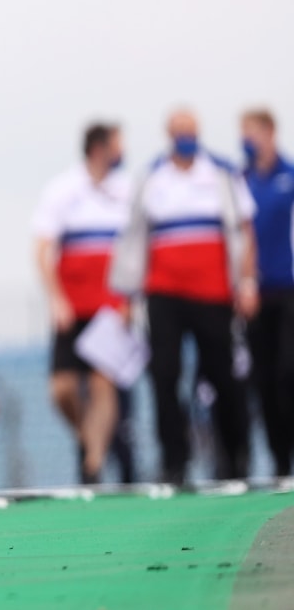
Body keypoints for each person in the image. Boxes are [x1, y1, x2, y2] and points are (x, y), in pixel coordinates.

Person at [110, 109, 259, 484]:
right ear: (168, 134)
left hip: (213, 294)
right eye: (179, 131)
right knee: (163, 374)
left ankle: (234, 456)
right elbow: (133, 239)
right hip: (163, 294)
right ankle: (175, 460)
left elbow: (244, 232)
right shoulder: (151, 177)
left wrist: (246, 282)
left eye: (190, 131)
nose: (185, 137)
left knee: (223, 377)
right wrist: (127, 295)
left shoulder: (222, 173)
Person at [31, 122, 132, 484]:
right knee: (62, 388)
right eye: (118, 145)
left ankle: (93, 463)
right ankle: (86, 433)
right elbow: (42, 250)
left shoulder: (126, 191)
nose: (123, 152)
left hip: (110, 306)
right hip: (73, 308)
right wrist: (56, 299)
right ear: (99, 148)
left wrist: (130, 301)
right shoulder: (63, 190)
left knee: (105, 386)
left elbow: (134, 252)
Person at [241, 108, 294, 476]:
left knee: (288, 373)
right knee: (263, 380)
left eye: (252, 132)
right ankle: (279, 461)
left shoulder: (289, 177)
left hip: (289, 290)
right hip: (254, 296)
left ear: (270, 133)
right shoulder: (239, 182)